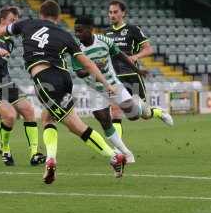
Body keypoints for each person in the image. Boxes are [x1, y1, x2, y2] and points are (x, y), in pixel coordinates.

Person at [0, 0, 126, 184]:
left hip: (46, 81)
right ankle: (50, 159)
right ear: (58, 17)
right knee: (47, 118)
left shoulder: (27, 24)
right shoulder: (65, 35)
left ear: (41, 14)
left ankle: (113, 156)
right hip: (64, 79)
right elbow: (87, 62)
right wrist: (106, 84)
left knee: (76, 126)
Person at [73, 16, 170, 163]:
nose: (77, 34)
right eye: (76, 31)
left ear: (90, 29)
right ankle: (126, 153)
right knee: (104, 121)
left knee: (134, 116)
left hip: (114, 85)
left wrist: (137, 70)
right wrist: (91, 69)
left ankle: (146, 108)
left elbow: (120, 55)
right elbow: (79, 73)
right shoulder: (76, 49)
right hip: (96, 91)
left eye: (80, 31)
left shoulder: (104, 41)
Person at [0, 6, 45, 167]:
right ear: (2, 21)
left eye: (16, 21)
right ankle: (4, 148)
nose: (15, 23)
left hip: (7, 82)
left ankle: (34, 153)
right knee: (10, 116)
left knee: (29, 110)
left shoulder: (10, 41)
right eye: (12, 20)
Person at [105, 0, 173, 137]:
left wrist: (136, 57)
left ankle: (158, 112)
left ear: (123, 13)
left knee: (144, 114)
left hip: (131, 76)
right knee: (115, 111)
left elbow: (148, 49)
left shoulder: (133, 29)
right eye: (110, 12)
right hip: (115, 79)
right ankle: (120, 150)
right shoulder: (106, 33)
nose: (112, 15)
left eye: (115, 12)